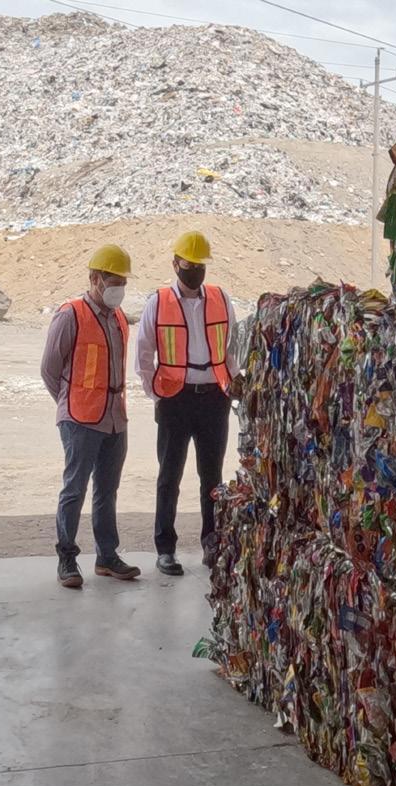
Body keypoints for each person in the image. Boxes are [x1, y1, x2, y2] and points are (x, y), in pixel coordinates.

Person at [135, 231, 238, 576]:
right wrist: (157, 393)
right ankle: (166, 549)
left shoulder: (222, 299)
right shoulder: (159, 301)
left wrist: (233, 387)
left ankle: (213, 543)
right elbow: (144, 353)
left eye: (200, 264)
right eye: (188, 264)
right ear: (175, 264)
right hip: (175, 400)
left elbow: (232, 349)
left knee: (212, 477)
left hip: (213, 398)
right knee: (170, 476)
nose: (194, 270)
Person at [41, 245, 141, 589]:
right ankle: (66, 556)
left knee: (107, 490)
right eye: (113, 281)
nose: (119, 287)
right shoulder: (71, 314)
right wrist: (69, 406)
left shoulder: (118, 317)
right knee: (75, 489)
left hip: (115, 417)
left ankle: (106, 556)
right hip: (80, 419)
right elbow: (49, 369)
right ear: (95, 279)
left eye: (123, 281)